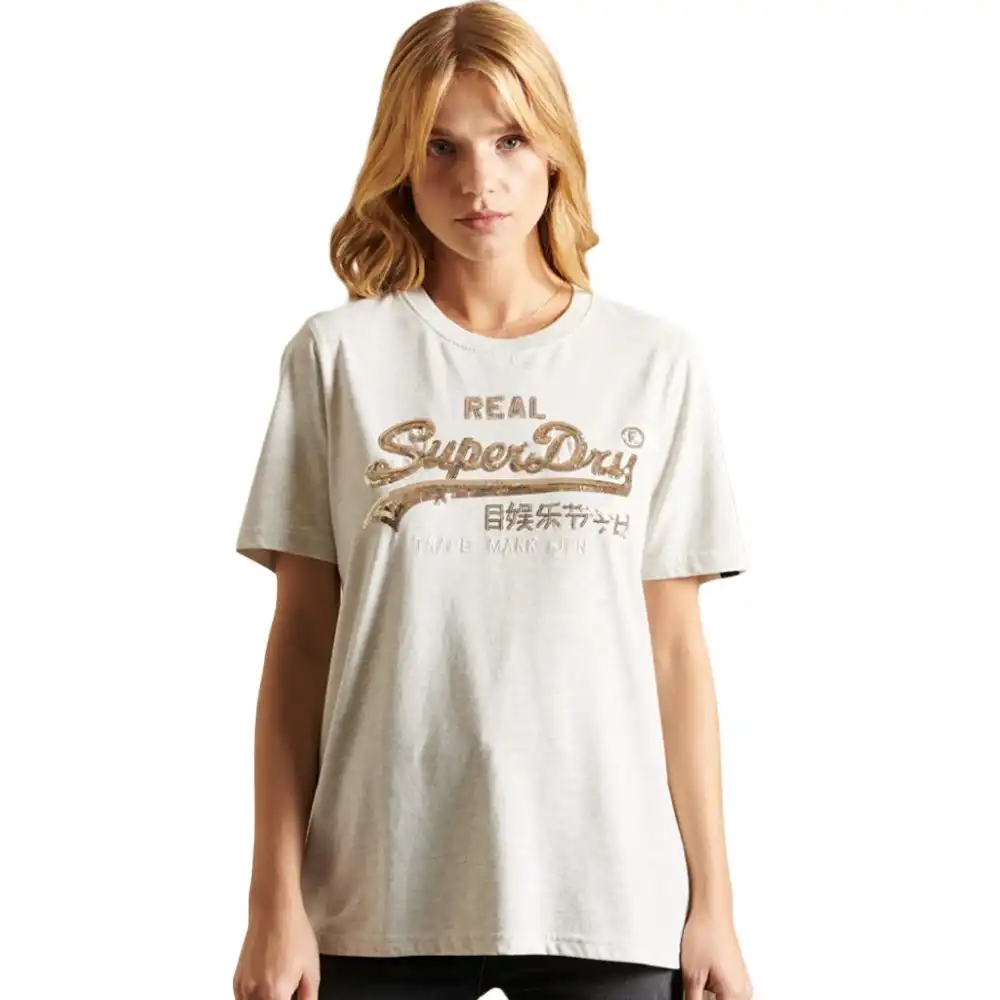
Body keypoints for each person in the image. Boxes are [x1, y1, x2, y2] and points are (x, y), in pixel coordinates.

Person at [231, 3, 753, 999]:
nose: (480, 180)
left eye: (509, 139)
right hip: (375, 895)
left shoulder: (652, 362)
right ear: (399, 161)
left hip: (610, 896)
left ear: (554, 147)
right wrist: (272, 903)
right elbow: (300, 644)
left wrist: (715, 906)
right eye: (442, 146)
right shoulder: (337, 360)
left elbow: (676, 653)